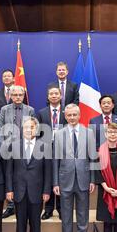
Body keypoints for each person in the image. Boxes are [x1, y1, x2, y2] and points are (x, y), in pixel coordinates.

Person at [53, 104, 97, 232]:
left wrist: (92, 180)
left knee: (82, 217)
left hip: (84, 181)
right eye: (69, 115)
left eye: (74, 115)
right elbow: (55, 160)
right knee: (66, 218)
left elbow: (93, 159)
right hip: (64, 181)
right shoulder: (59, 134)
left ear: (79, 116)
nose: (72, 117)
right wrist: (55, 182)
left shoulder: (88, 133)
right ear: (65, 116)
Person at [6, 118, 52, 232]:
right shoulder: (13, 146)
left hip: (37, 192)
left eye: (31, 127)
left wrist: (46, 190)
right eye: (25, 127)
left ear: (36, 129)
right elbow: (9, 171)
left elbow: (48, 171)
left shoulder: (44, 147)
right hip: (19, 192)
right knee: (20, 225)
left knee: (35, 225)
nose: (28, 130)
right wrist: (9, 189)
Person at [0, 85, 35, 219]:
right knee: (9, 175)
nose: (18, 97)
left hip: (25, 149)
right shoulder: (4, 109)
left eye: (20, 95)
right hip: (8, 150)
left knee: (21, 176)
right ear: (11, 96)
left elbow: (34, 128)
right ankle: (10, 206)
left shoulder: (30, 110)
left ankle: (22, 203)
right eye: (15, 95)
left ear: (24, 95)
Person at [36, 86, 66, 220]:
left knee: (60, 177)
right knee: (48, 176)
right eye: (51, 94)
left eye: (56, 93)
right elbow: (38, 133)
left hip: (63, 148)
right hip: (46, 149)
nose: (54, 96)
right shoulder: (41, 113)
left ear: (60, 96)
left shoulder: (67, 111)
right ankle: (48, 209)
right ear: (48, 97)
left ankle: (60, 208)